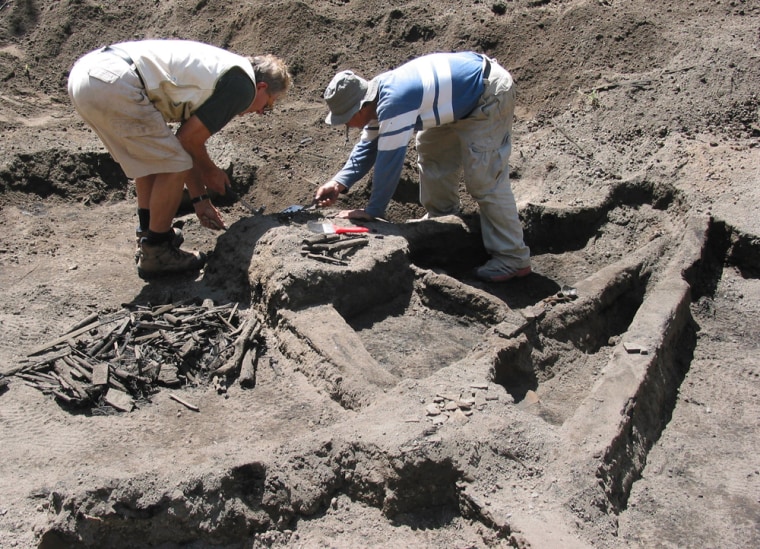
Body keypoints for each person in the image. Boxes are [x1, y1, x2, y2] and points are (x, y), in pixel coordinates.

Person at [68, 40, 291, 279]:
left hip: (87, 76)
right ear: (261, 87)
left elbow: (184, 144)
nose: (260, 113)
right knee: (171, 163)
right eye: (267, 106)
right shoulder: (242, 86)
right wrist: (210, 172)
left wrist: (200, 199)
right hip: (117, 82)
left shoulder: (224, 69)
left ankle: (149, 233)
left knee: (154, 160)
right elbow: (187, 141)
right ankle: (157, 251)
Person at [314, 52, 530, 283]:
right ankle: (442, 217)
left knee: (485, 179)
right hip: (457, 100)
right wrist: (338, 183)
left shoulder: (394, 101)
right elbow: (369, 146)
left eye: (345, 118)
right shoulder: (377, 98)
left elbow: (390, 160)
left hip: (486, 95)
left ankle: (512, 257)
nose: (346, 124)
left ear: (359, 108)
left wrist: (374, 210)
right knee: (431, 147)